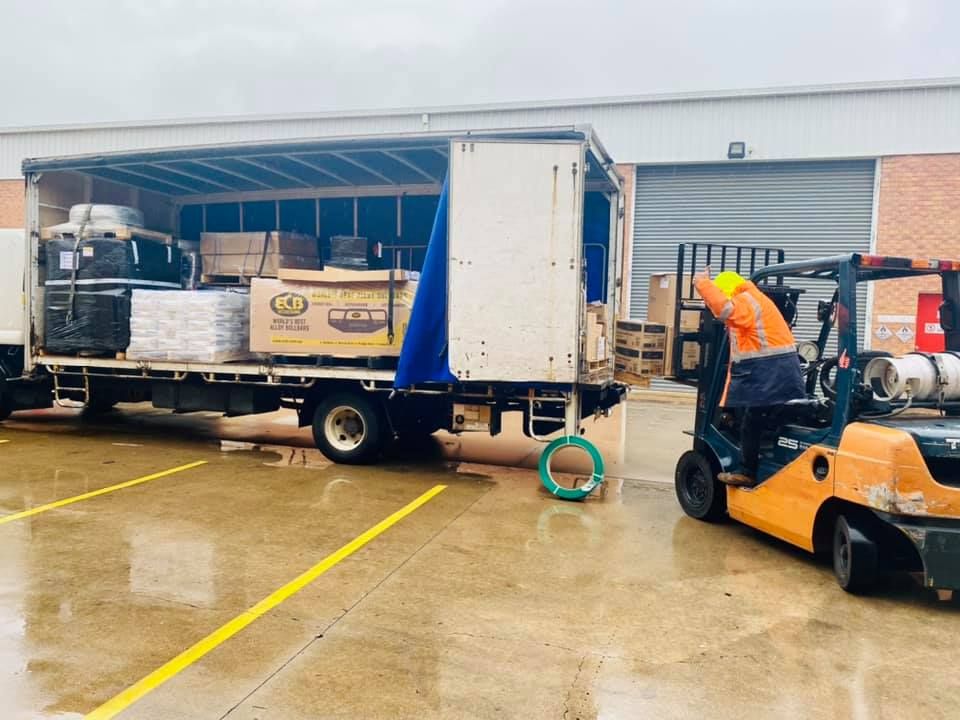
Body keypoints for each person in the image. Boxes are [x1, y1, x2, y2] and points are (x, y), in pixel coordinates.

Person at [693, 266, 805, 487]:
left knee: (751, 422)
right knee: (760, 416)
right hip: (778, 371)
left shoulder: (745, 301)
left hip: (769, 372)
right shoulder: (757, 299)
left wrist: (703, 285)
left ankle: (747, 471)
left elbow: (724, 310)